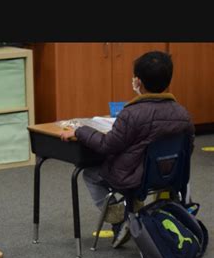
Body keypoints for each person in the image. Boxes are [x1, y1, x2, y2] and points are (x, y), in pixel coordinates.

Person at [60, 51, 195, 248]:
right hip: (170, 175)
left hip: (133, 179)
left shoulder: (132, 114)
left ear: (138, 82)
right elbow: (188, 147)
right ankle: (137, 212)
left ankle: (120, 220)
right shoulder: (183, 113)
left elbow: (107, 145)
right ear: (168, 81)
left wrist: (80, 131)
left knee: (90, 173)